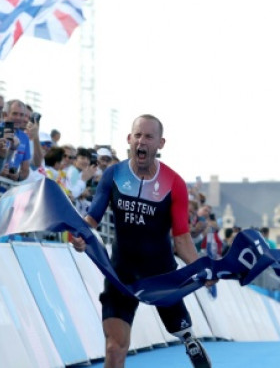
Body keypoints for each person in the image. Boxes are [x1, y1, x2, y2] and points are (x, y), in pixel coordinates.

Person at [71, 114, 212, 368]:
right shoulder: (114, 174)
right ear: (129, 139)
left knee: (179, 328)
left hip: (160, 273)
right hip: (121, 275)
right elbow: (92, 219)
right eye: (137, 135)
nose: (141, 141)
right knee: (115, 347)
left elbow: (181, 240)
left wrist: (203, 268)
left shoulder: (174, 183)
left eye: (148, 136)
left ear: (161, 143)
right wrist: (80, 236)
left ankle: (189, 339)